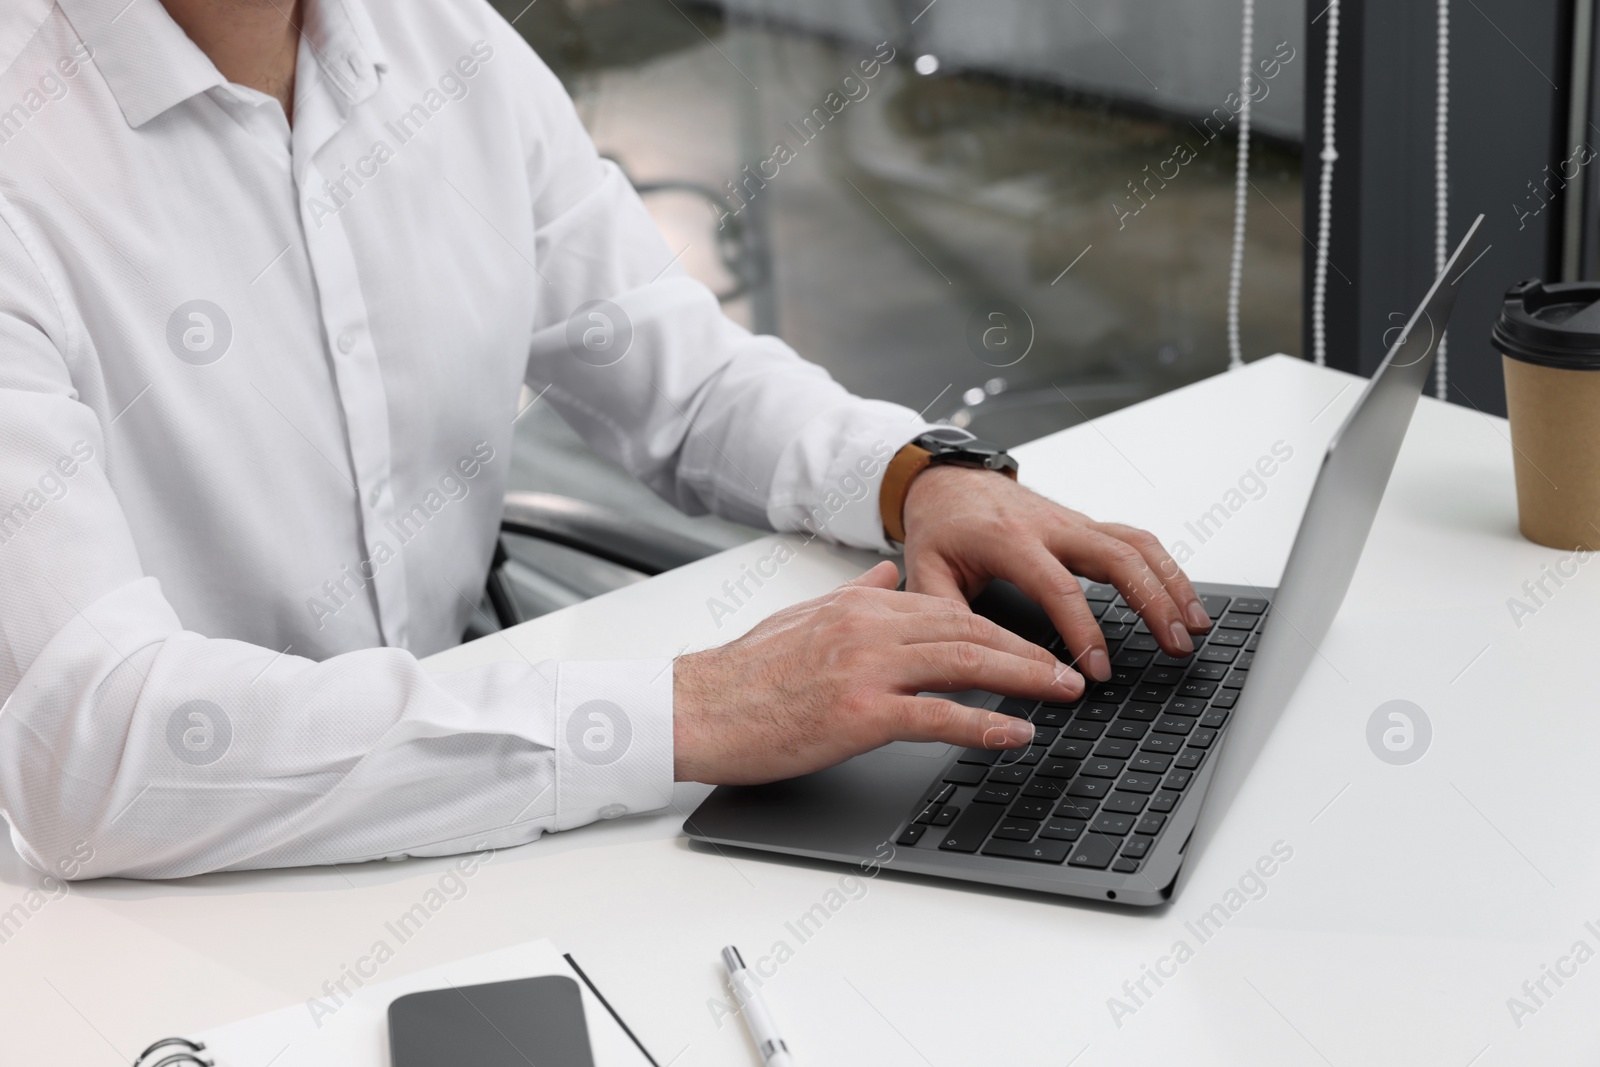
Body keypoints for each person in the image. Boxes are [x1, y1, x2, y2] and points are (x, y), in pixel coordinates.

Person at [0, 0, 1209, 880]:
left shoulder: (441, 44)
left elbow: (675, 373)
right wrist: (689, 708)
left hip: (463, 808)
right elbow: (98, 745)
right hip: (151, 895)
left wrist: (911, 478)